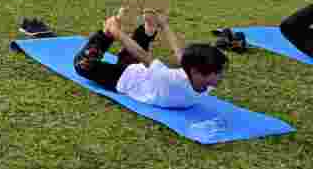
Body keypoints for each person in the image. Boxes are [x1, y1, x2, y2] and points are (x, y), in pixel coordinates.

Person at [72, 7, 226, 107]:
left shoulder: (205, 82)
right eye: (217, 72)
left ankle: (146, 32)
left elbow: (179, 53)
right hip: (124, 78)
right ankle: (105, 34)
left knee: (129, 57)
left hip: (140, 72)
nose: (221, 76)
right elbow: (142, 54)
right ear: (196, 72)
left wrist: (165, 26)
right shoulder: (170, 78)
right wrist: (115, 31)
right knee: (82, 65)